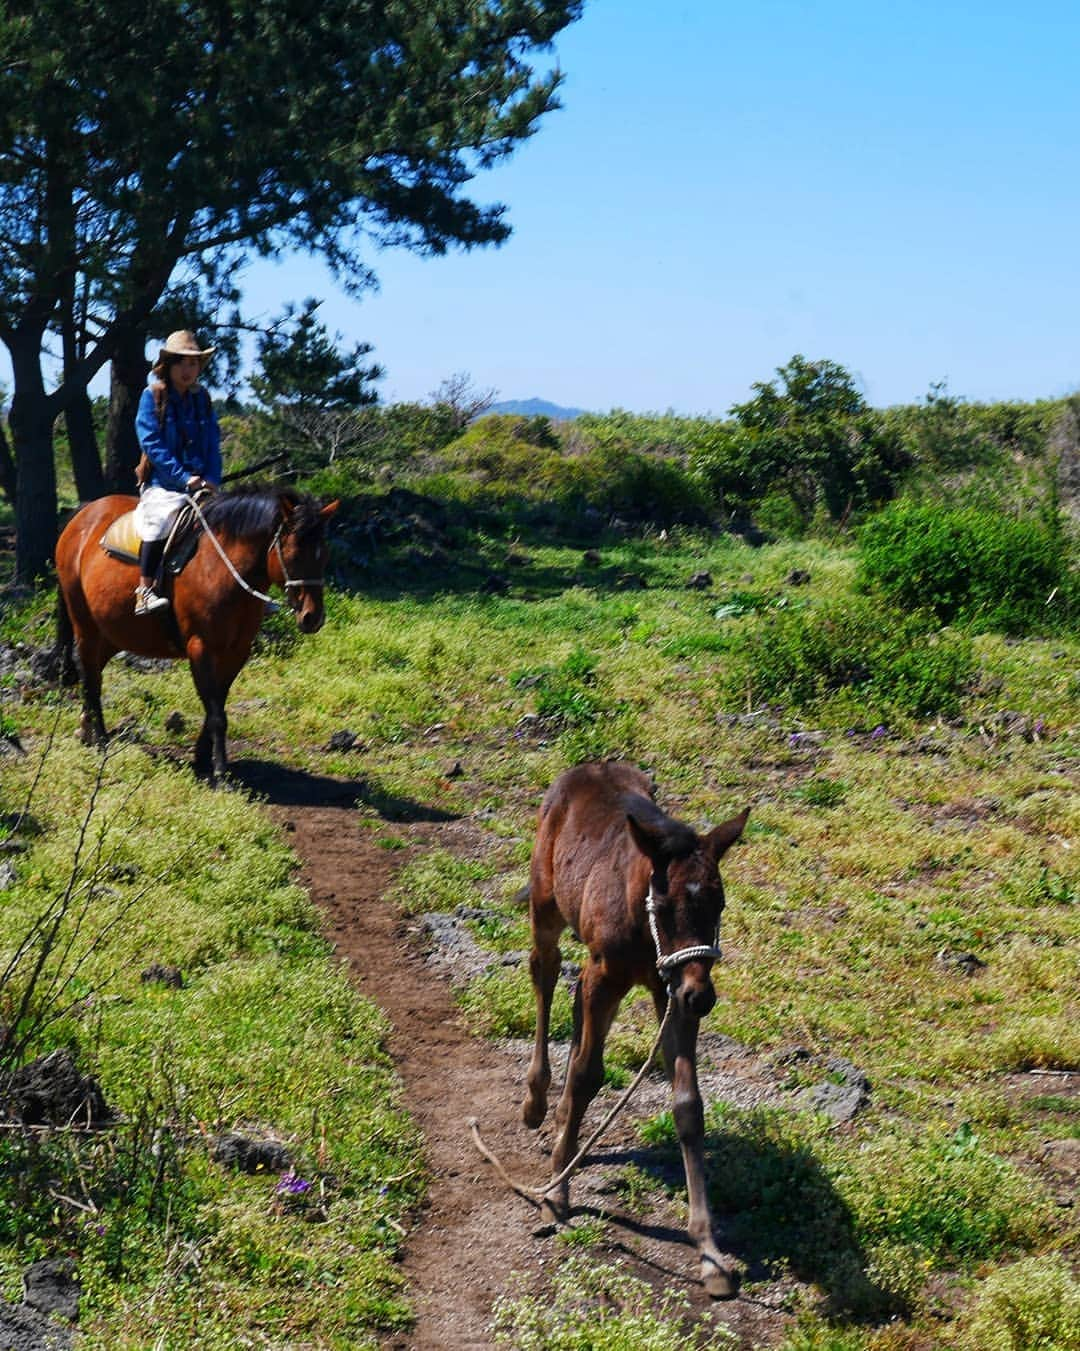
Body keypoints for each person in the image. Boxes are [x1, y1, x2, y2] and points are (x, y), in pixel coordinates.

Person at [132, 330, 222, 614]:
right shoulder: (153, 396)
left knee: (236, 523)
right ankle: (145, 590)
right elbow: (151, 443)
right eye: (182, 362)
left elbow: (212, 444)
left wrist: (212, 478)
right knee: (159, 522)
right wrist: (184, 478)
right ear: (168, 365)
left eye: (193, 364)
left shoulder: (203, 400)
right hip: (163, 485)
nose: (188, 370)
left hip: (201, 486)